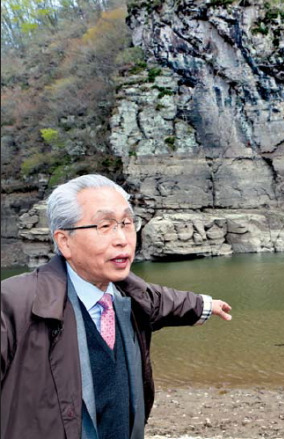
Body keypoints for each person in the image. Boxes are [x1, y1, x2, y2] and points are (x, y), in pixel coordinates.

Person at [1, 174, 232, 439]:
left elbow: (165, 302)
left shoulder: (130, 296)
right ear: (65, 241)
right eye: (105, 225)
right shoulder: (13, 303)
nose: (122, 238)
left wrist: (205, 304)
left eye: (126, 223)